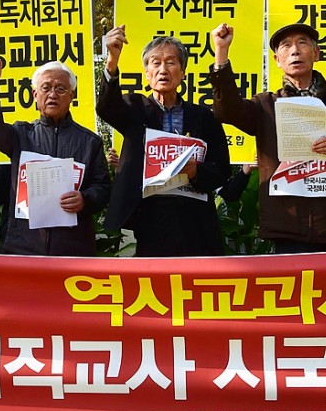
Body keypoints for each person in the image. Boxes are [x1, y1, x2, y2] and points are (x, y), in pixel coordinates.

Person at [209, 22, 326, 253]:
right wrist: (221, 54)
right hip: (286, 228)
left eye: (302, 43)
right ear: (277, 60)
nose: (295, 51)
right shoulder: (265, 105)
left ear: (316, 53)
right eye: (286, 46)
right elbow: (226, 111)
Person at [97, 26, 230, 256]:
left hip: (195, 219)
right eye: (155, 63)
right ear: (147, 74)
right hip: (149, 215)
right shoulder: (134, 108)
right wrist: (111, 61)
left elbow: (222, 168)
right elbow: (107, 108)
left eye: (170, 62)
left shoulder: (203, 117)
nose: (163, 70)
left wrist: (196, 171)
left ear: (183, 72)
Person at [0, 59, 110, 255]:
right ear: (35, 95)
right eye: (46, 88)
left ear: (71, 95)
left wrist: (85, 199)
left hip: (72, 248)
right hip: (22, 246)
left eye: (61, 89)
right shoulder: (20, 135)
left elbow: (103, 188)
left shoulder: (90, 142)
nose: (52, 95)